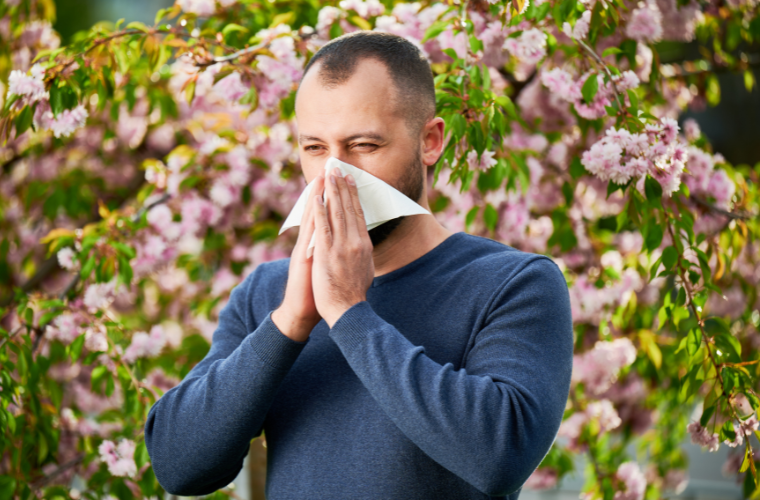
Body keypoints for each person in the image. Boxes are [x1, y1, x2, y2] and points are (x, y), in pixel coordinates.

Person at [144, 30, 573, 500]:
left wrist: (349, 312)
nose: (334, 174)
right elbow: (178, 466)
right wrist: (289, 322)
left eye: (364, 146)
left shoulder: (513, 284)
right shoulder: (270, 292)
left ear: (429, 141)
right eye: (314, 149)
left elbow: (499, 456)